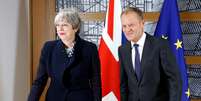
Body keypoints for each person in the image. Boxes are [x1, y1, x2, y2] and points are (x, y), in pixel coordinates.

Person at [28, 8, 101, 101]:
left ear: (75, 28)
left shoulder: (90, 48)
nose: (60, 29)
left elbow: (96, 81)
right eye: (58, 25)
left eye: (65, 25)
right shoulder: (48, 48)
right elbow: (39, 81)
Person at [118, 7, 182, 101]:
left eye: (131, 25)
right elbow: (124, 85)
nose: (127, 30)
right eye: (124, 26)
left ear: (142, 24)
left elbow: (174, 80)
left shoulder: (159, 45)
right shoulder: (122, 50)